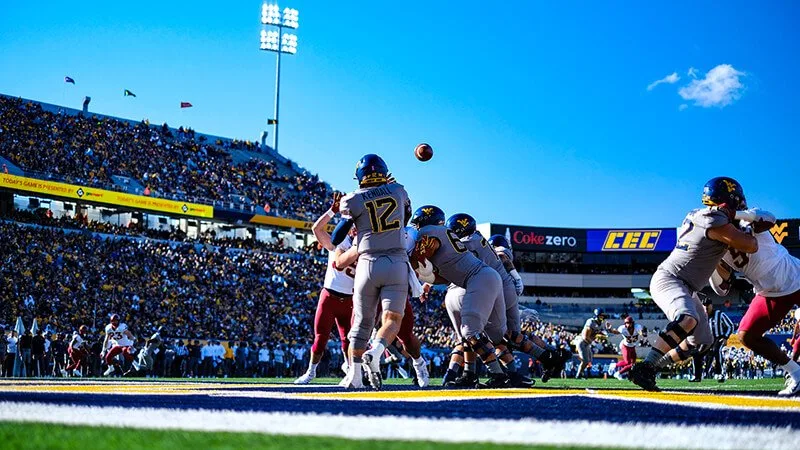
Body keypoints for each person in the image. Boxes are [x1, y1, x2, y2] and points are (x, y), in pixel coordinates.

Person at [629, 177, 759, 391]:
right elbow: (751, 245)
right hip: (671, 279)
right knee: (687, 319)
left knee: (702, 341)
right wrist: (749, 221)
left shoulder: (702, 215)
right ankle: (646, 367)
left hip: (687, 286)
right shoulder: (713, 219)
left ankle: (653, 367)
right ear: (729, 200)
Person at [410, 205, 514, 388]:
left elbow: (420, 258)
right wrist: (425, 276)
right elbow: (442, 275)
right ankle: (470, 374)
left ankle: (499, 375)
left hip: (479, 279)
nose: (417, 228)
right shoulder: (445, 235)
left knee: (470, 331)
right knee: (494, 335)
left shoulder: (428, 232)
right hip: (487, 277)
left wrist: (414, 264)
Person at [335, 154, 411, 390]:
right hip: (396, 261)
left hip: (367, 262)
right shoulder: (398, 190)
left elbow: (338, 236)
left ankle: (355, 376)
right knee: (392, 319)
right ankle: (377, 351)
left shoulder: (352, 199)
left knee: (362, 322)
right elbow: (404, 219)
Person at [708, 208, 800, 396]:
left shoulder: (747, 222)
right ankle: (796, 372)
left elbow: (770, 218)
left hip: (795, 276)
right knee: (747, 336)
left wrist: (736, 215)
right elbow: (720, 289)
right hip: (769, 293)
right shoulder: (714, 243)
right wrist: (713, 263)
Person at [294, 206, 358, 385]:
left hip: (350, 300)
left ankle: (350, 370)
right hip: (330, 296)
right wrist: (332, 211)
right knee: (320, 339)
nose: (354, 230)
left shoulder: (364, 246)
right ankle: (311, 372)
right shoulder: (339, 241)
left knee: (348, 340)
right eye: (352, 226)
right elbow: (316, 229)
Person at [690, 298, 734, 383]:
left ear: (711, 305)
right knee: (696, 354)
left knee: (716, 350)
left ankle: (720, 373)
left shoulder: (719, 314)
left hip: (718, 338)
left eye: (708, 305)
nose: (706, 307)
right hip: (706, 340)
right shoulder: (701, 317)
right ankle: (697, 376)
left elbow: (730, 326)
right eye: (704, 305)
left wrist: (725, 337)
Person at [572, 308, 614, 378]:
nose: (602, 317)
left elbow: (605, 334)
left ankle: (581, 373)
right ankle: (578, 375)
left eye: (602, 316)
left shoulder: (601, 324)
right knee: (585, 361)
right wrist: (594, 343)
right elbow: (585, 337)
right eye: (601, 316)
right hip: (582, 342)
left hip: (587, 343)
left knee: (589, 360)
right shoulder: (591, 322)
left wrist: (608, 330)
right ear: (596, 316)